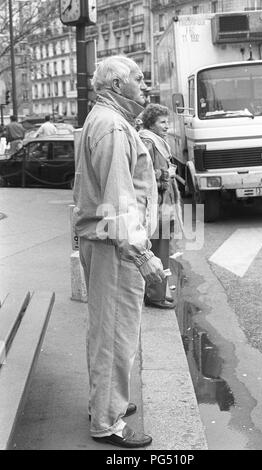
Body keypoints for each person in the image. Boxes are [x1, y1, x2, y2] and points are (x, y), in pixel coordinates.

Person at [73, 56, 165, 448]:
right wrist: (144, 256)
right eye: (139, 80)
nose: (145, 86)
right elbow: (119, 203)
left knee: (109, 331)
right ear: (115, 85)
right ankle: (107, 421)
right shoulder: (112, 126)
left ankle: (106, 402)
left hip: (107, 243)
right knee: (114, 333)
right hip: (115, 247)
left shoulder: (107, 120)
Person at [139, 104, 182, 309]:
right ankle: (155, 296)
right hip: (156, 206)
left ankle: (159, 291)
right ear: (151, 123)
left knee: (163, 248)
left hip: (163, 203)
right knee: (158, 249)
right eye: (162, 122)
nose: (166, 126)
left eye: (167, 121)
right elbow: (143, 176)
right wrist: (166, 177)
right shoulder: (147, 141)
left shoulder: (156, 140)